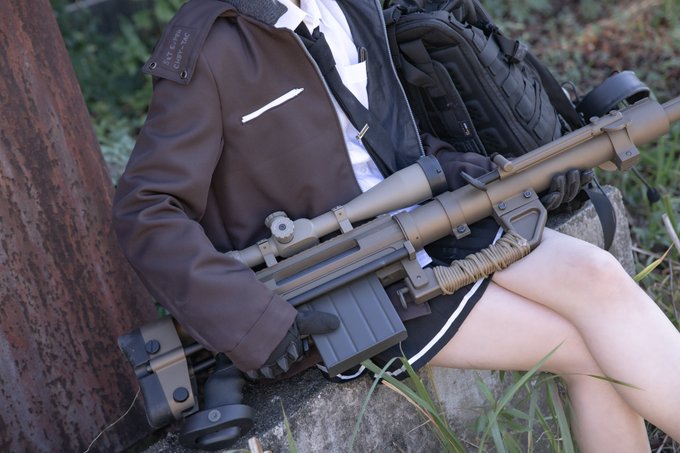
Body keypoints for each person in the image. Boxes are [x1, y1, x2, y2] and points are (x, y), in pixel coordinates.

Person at [112, 0, 680, 450]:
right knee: (588, 352)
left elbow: (377, 136)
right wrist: (253, 321)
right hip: (354, 284)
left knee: (598, 275)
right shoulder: (209, 48)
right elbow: (146, 211)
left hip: (434, 222)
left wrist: (457, 165)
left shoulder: (349, 6)